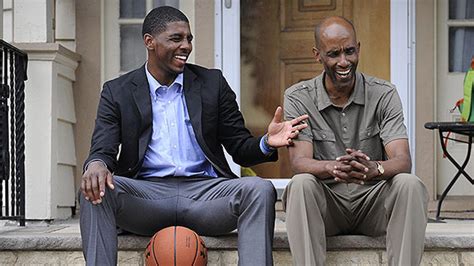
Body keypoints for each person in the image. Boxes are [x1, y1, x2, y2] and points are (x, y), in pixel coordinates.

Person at [79, 6, 308, 266]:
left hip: (206, 196)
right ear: (149, 42)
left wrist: (266, 142)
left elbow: (239, 147)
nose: (186, 46)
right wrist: (96, 164)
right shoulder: (117, 91)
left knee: (259, 189)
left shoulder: (212, 84)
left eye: (189, 39)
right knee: (94, 189)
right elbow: (103, 147)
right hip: (146, 196)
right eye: (176, 38)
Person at [282, 16, 429, 266]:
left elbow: (403, 160)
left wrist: (375, 168)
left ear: (358, 48)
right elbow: (299, 162)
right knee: (301, 185)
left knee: (409, 184)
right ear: (317, 55)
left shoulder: (384, 94)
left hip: (373, 203)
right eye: (333, 54)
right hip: (328, 207)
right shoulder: (298, 97)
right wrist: (332, 167)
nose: (344, 61)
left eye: (349, 51)